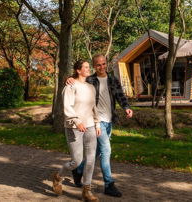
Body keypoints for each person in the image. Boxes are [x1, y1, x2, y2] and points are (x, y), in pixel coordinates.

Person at [67, 54, 133, 198]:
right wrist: (69, 78)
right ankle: (109, 184)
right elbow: (77, 81)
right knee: (106, 150)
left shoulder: (112, 79)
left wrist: (126, 107)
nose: (101, 67)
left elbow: (120, 95)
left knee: (97, 153)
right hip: (96, 121)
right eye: (98, 65)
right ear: (94, 66)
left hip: (109, 121)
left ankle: (79, 171)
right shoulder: (90, 80)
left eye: (103, 64)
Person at [53, 60, 101, 202]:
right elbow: (67, 106)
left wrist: (97, 123)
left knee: (91, 159)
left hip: (90, 126)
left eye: (88, 67)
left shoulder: (91, 87)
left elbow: (94, 107)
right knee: (77, 160)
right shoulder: (70, 85)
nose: (88, 69)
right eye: (85, 67)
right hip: (74, 127)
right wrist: (77, 121)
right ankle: (58, 176)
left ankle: (87, 191)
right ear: (78, 70)